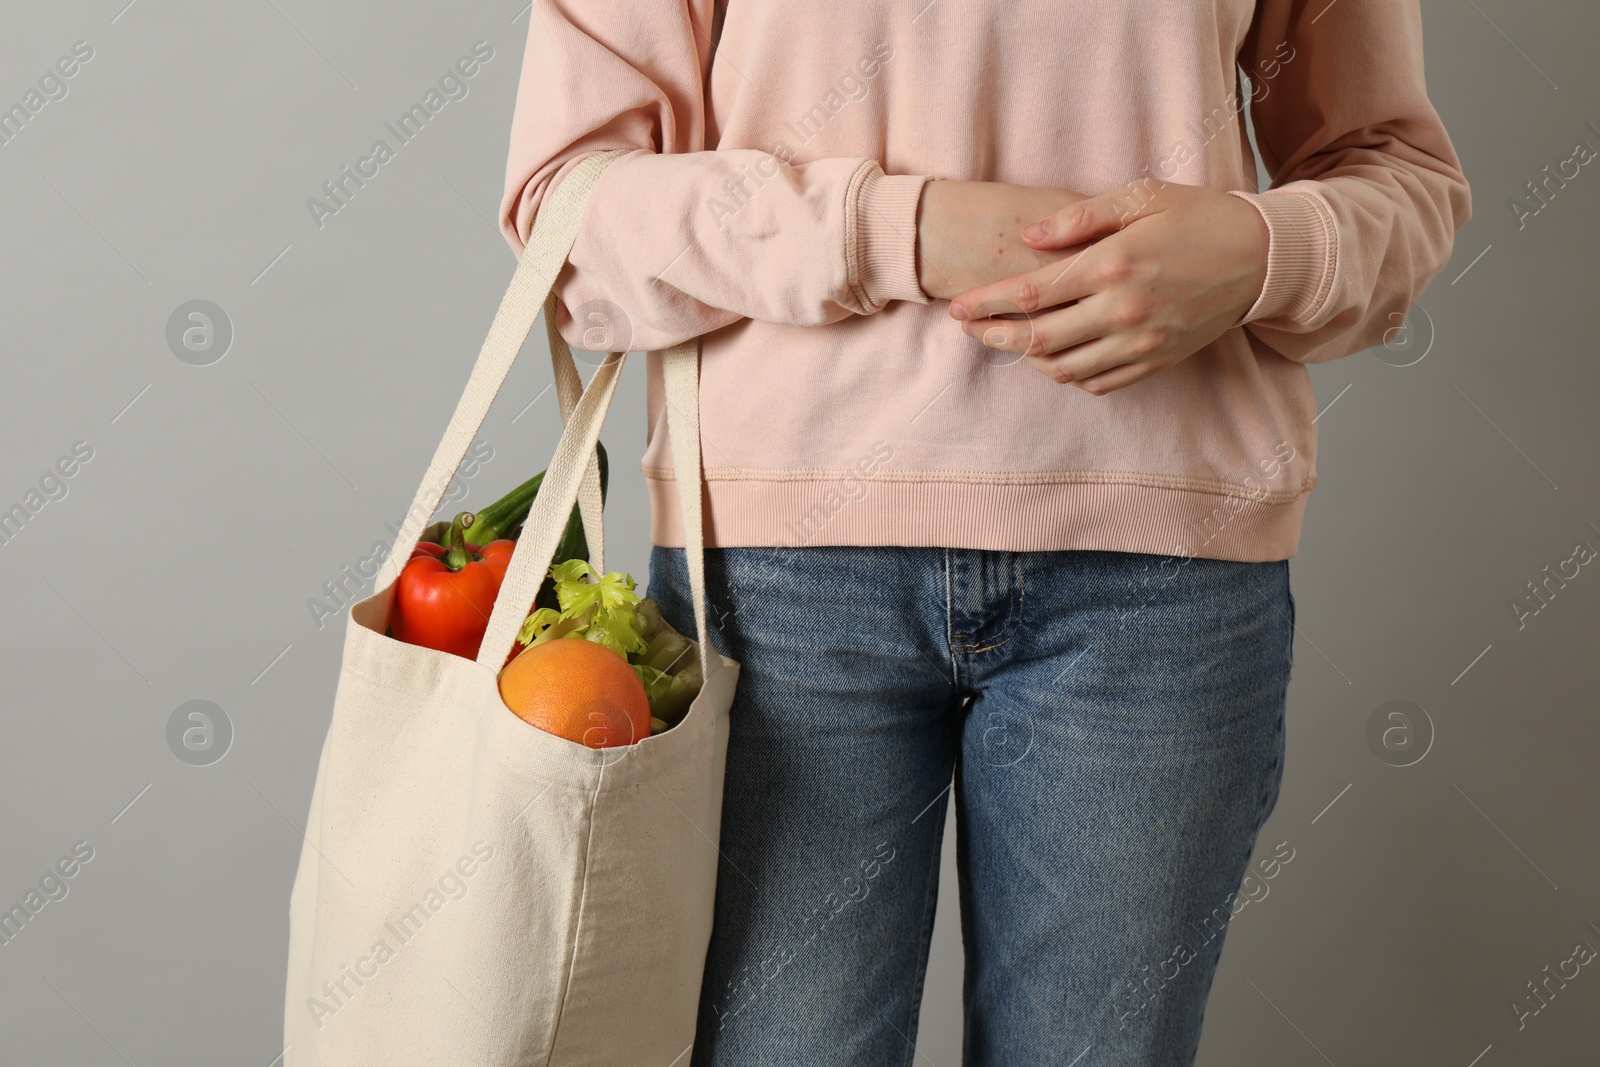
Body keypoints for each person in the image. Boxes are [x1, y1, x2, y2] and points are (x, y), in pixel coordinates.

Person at [500, 2, 1469, 1063]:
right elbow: (568, 207)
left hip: (1162, 585)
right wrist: (897, 232)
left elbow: (1397, 173)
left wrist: (1259, 249)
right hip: (776, 582)